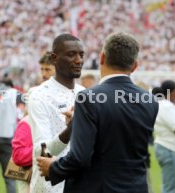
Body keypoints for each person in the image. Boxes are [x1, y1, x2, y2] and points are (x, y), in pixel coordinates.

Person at [37, 32, 159, 193]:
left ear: (102, 58)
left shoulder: (88, 98)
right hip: (136, 188)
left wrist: (53, 168)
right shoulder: (150, 101)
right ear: (135, 66)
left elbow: (81, 157)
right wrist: (81, 121)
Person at [27, 33, 85, 193]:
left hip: (81, 183)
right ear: (54, 58)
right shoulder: (39, 95)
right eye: (71, 54)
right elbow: (41, 151)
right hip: (51, 186)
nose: (79, 60)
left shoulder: (86, 94)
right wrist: (70, 130)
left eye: (81, 54)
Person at [11, 51, 56, 193]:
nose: (43, 73)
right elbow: (27, 120)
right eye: (42, 69)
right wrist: (44, 151)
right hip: (31, 173)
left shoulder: (69, 94)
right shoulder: (33, 92)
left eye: (47, 69)